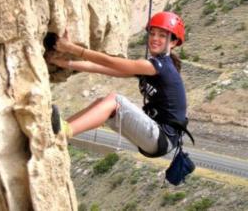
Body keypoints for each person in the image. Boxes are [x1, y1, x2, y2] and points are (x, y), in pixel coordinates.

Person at [47, 11, 190, 158]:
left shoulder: (160, 66)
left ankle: (64, 131)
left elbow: (110, 62)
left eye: (162, 35)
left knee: (116, 101)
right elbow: (104, 68)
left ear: (173, 42)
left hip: (162, 138)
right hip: (158, 138)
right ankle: (58, 130)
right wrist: (64, 63)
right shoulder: (153, 67)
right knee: (102, 103)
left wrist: (71, 48)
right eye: (152, 33)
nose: (154, 38)